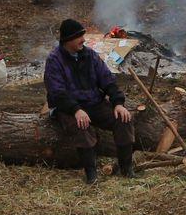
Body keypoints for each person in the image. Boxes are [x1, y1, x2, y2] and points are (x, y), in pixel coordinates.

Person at [44, 18, 135, 183]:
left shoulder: (90, 55)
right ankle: (91, 175)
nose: (83, 40)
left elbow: (108, 80)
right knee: (82, 127)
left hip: (94, 103)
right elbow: (57, 93)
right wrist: (76, 110)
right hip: (68, 108)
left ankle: (126, 169)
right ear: (68, 40)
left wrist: (118, 103)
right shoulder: (54, 60)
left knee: (123, 120)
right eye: (79, 37)